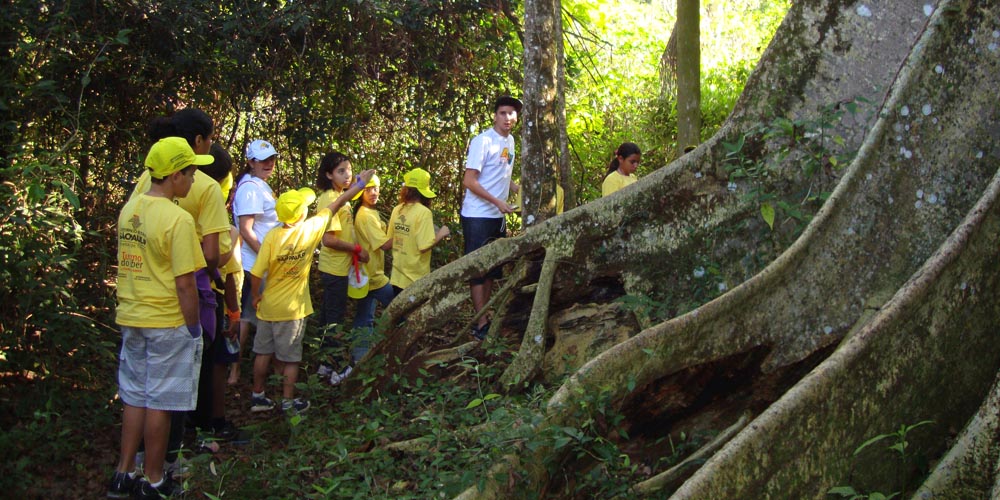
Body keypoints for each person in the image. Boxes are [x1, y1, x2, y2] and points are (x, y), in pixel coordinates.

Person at [107, 137, 213, 499]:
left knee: (135, 395)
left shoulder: (130, 208)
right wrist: (194, 328)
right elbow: (186, 284)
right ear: (174, 177)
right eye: (191, 172)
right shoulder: (177, 219)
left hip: (132, 315)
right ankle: (153, 480)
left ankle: (123, 472)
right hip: (167, 320)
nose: (195, 179)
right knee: (160, 402)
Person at [129, 108, 228, 476]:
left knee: (140, 389)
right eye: (210, 138)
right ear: (198, 143)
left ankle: (134, 465)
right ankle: (166, 465)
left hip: (139, 301)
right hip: (180, 303)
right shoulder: (202, 188)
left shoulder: (144, 183)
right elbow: (210, 255)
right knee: (172, 393)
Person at [248, 171, 374, 414]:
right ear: (301, 214)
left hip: (268, 306)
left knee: (262, 353)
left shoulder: (273, 236)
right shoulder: (309, 230)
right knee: (292, 358)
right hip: (293, 310)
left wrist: (255, 296)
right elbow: (337, 203)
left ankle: (258, 395)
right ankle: (287, 401)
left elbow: (256, 273)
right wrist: (359, 184)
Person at [461, 96, 522, 340]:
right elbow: (469, 180)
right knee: (478, 271)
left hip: (498, 215)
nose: (508, 118)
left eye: (512, 113)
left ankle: (484, 315)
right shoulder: (483, 141)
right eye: (503, 113)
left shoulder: (511, 141)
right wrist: (497, 201)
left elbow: (502, 174)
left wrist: (517, 189)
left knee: (491, 270)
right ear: (494, 116)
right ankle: (481, 322)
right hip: (478, 215)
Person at [229, 139, 281, 385]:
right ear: (251, 162)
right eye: (263, 160)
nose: (269, 164)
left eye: (271, 159)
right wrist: (266, 257)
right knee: (267, 316)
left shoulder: (259, 186)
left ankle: (238, 370)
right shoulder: (250, 188)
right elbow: (246, 230)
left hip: (257, 262)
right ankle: (264, 374)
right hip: (257, 263)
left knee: (249, 315)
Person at [314, 152, 368, 384]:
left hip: (338, 267)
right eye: (340, 171)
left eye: (349, 169)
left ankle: (325, 364)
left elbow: (349, 196)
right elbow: (329, 240)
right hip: (334, 268)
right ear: (328, 175)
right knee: (335, 318)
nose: (347, 175)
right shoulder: (328, 199)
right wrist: (357, 249)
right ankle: (339, 367)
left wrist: (359, 184)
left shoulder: (339, 196)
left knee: (328, 316)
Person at [350, 174, 394, 362]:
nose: (373, 193)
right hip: (373, 277)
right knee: (400, 308)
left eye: (375, 188)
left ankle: (360, 358)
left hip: (367, 274)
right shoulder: (366, 216)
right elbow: (384, 245)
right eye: (368, 190)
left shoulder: (370, 212)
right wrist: (406, 233)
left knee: (364, 317)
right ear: (360, 193)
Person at [386, 168, 451, 295]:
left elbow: (390, 240)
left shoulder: (397, 209)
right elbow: (424, 246)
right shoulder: (424, 213)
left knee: (399, 312)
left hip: (397, 276)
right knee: (412, 314)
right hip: (415, 278)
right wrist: (441, 234)